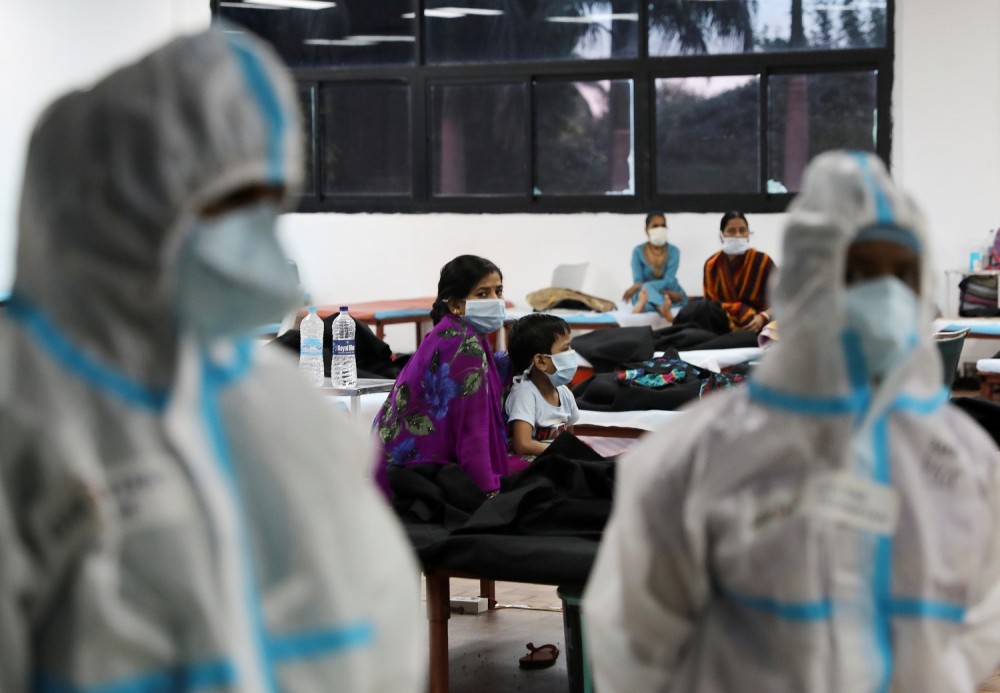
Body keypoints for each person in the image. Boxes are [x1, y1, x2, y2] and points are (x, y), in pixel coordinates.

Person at [0, 29, 425, 692]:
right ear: (116, 209)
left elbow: (381, 624)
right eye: (228, 203)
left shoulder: (280, 408)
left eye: (269, 200)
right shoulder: (22, 417)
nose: (253, 235)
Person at [583, 151, 1000, 692]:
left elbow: (979, 620)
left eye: (897, 274)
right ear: (803, 283)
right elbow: (635, 632)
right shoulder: (698, 453)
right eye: (853, 272)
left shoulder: (960, 460)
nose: (878, 295)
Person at [373, 254, 515, 497]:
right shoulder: (464, 344)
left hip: (392, 467)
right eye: (482, 294)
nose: (495, 300)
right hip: (411, 478)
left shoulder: (455, 332)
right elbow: (472, 431)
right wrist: (488, 492)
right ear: (456, 305)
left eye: (498, 291)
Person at [505, 313, 581, 457]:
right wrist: (562, 452)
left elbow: (570, 439)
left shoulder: (564, 393)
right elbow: (522, 444)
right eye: (565, 349)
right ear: (541, 362)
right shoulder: (525, 394)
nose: (572, 353)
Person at [702, 211, 776, 333]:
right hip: (722, 325)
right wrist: (740, 310)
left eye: (742, 230)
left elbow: (782, 299)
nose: (737, 235)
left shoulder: (763, 262)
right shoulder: (712, 265)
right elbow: (710, 306)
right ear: (721, 235)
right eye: (731, 231)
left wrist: (763, 317)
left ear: (748, 234)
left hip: (757, 325)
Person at [623, 213, 687, 320]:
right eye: (655, 226)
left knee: (647, 293)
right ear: (646, 229)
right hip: (647, 291)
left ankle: (643, 306)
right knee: (641, 294)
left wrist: (648, 288)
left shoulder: (674, 251)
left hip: (670, 289)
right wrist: (644, 288)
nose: (660, 229)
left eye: (663, 226)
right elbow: (638, 280)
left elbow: (669, 280)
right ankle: (663, 309)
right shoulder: (638, 251)